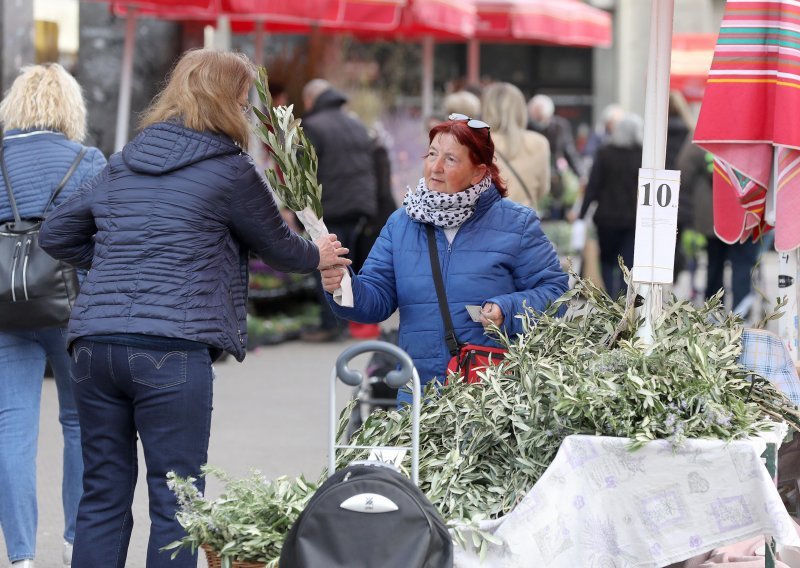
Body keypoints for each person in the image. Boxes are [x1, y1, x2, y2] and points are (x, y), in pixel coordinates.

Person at [38, 49, 350, 568]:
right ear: (231, 101)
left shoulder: (122, 160)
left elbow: (56, 232)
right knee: (176, 502)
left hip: (93, 347)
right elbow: (276, 245)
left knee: (102, 496)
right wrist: (317, 255)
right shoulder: (229, 169)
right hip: (172, 349)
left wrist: (118, 261)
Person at [319, 115, 569, 402]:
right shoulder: (402, 223)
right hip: (419, 396)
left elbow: (556, 295)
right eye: (432, 155)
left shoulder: (516, 224)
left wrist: (506, 309)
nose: (435, 167)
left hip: (492, 398)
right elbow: (377, 298)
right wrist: (343, 286)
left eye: (450, 159)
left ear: (478, 172)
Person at [0, 63, 107, 568]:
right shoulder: (87, 161)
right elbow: (103, 238)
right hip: (71, 307)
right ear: (70, 107)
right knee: (79, 423)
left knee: (11, 426)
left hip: (3, 306)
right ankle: (73, 544)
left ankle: (20, 555)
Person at [300, 78, 378, 342]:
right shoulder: (355, 123)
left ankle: (331, 324)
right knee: (347, 262)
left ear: (310, 100)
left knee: (326, 264)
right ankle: (345, 322)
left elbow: (305, 172)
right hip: (359, 206)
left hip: (330, 206)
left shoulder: (313, 126)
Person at [676, 139, 761, 312]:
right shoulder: (751, 130)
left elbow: (684, 173)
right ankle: (741, 312)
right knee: (743, 264)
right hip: (745, 212)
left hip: (713, 214)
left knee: (714, 264)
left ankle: (713, 311)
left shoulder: (703, 135)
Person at [578, 113, 643, 300]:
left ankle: (610, 299)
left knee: (607, 262)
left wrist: (582, 214)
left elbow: (593, 185)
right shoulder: (642, 156)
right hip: (633, 219)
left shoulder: (605, 153)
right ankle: (623, 301)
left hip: (606, 218)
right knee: (628, 264)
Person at [481, 82, 550, 210]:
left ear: (487, 108)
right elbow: (543, 190)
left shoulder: (476, 140)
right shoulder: (539, 143)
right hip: (523, 222)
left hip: (486, 223)